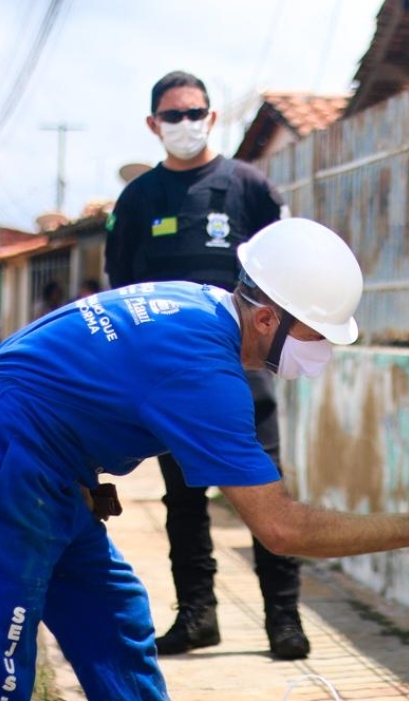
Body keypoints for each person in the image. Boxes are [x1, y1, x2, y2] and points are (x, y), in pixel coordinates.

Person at [0, 218, 409, 700]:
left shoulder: (196, 305)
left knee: (114, 620)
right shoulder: (206, 373)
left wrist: (73, 460)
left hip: (42, 461)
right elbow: (280, 528)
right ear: (267, 318)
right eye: (316, 336)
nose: (322, 353)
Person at [104, 70, 310, 659]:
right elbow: (122, 286)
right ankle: (197, 615)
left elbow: (286, 275)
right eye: (173, 116)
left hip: (245, 371)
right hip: (168, 379)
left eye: (195, 113)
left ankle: (284, 619)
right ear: (153, 125)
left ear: (212, 117)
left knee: (265, 488)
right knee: (184, 498)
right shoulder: (138, 200)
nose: (185, 125)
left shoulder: (250, 188)